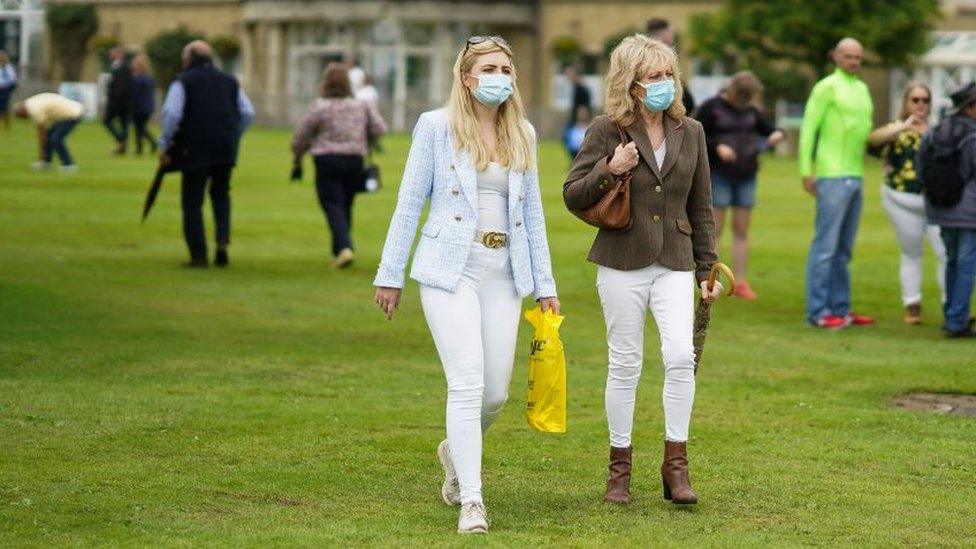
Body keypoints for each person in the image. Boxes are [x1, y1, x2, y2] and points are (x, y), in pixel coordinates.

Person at [373, 35, 558, 534]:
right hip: (449, 268)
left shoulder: (524, 133)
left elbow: (533, 215)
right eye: (489, 68)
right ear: (466, 76)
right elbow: (409, 203)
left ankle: (453, 450)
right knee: (467, 380)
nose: (500, 76)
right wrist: (390, 275)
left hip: (505, 272)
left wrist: (546, 283)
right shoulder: (436, 127)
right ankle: (472, 499)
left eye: (506, 68)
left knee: (495, 394)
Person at [564, 34, 721, 507]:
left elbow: (703, 205)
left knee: (678, 356)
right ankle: (619, 470)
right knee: (625, 363)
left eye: (669, 75)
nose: (665, 84)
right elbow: (574, 194)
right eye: (654, 77)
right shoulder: (605, 129)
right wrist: (611, 167)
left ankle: (676, 467)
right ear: (631, 85)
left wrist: (706, 269)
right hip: (620, 259)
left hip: (674, 258)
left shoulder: (690, 130)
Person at [798, 37, 874, 329]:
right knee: (826, 246)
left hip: (856, 175)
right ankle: (818, 311)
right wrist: (807, 169)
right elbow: (809, 128)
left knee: (844, 249)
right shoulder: (826, 87)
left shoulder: (863, 89)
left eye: (857, 56)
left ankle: (841, 309)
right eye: (848, 56)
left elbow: (862, 133)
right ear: (836, 57)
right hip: (831, 174)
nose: (853, 60)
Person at [158, 40, 255, 268]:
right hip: (225, 146)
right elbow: (248, 112)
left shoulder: (183, 81)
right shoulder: (230, 81)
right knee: (221, 193)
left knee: (192, 200)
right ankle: (222, 242)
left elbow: (172, 114)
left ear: (188, 59)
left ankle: (198, 255)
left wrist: (164, 144)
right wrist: (234, 134)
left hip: (195, 146)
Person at [696, 71, 784, 299]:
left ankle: (741, 282)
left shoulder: (751, 111)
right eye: (742, 96)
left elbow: (770, 128)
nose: (744, 102)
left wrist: (776, 134)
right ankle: (710, 279)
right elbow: (696, 133)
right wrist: (718, 147)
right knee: (714, 230)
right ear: (733, 91)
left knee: (741, 230)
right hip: (719, 175)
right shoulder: (712, 107)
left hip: (746, 174)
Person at [291, 63, 388, 268]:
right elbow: (380, 128)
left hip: (327, 161)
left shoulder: (319, 106)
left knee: (332, 204)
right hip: (354, 159)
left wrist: (297, 155)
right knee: (345, 203)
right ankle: (339, 252)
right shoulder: (361, 105)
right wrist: (366, 137)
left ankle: (344, 247)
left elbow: (301, 135)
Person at [868, 82, 947, 324]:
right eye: (915, 100)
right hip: (901, 199)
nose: (920, 104)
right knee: (911, 252)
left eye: (925, 100)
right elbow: (872, 141)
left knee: (945, 252)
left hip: (934, 202)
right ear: (906, 102)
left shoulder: (937, 130)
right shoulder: (896, 129)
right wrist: (901, 128)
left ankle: (950, 304)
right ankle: (912, 303)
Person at [919, 81, 976, 339]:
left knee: (952, 260)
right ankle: (956, 321)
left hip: (940, 207)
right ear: (971, 107)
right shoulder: (972, 135)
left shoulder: (936, 130)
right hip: (968, 210)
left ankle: (951, 314)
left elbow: (921, 164)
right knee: (966, 264)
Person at [13, 93, 84, 172]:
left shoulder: (34, 109)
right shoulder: (30, 104)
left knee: (56, 139)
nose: (23, 119)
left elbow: (42, 135)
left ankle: (69, 164)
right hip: (64, 115)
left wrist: (41, 156)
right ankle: (46, 163)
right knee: (50, 137)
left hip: (72, 114)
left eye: (21, 116)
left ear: (22, 111)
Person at [645, 18, 695, 114]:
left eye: (669, 74)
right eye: (670, 32)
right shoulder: (654, 55)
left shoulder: (669, 53)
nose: (672, 36)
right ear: (663, 34)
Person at [103, 47, 133, 155]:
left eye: (113, 53)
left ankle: (121, 141)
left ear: (119, 54)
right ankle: (122, 146)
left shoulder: (123, 67)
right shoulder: (117, 66)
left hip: (119, 102)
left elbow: (120, 87)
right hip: (123, 102)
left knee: (107, 121)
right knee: (123, 124)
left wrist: (114, 101)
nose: (110, 55)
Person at [130, 53, 157, 155]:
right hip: (148, 106)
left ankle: (143, 147)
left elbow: (135, 94)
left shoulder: (137, 79)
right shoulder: (148, 77)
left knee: (139, 127)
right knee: (140, 127)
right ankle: (142, 147)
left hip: (140, 107)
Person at [0, 50, 17, 130]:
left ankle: (6, 123)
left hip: (6, 89)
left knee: (4, 105)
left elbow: (12, 79)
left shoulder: (9, 68)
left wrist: (4, 85)